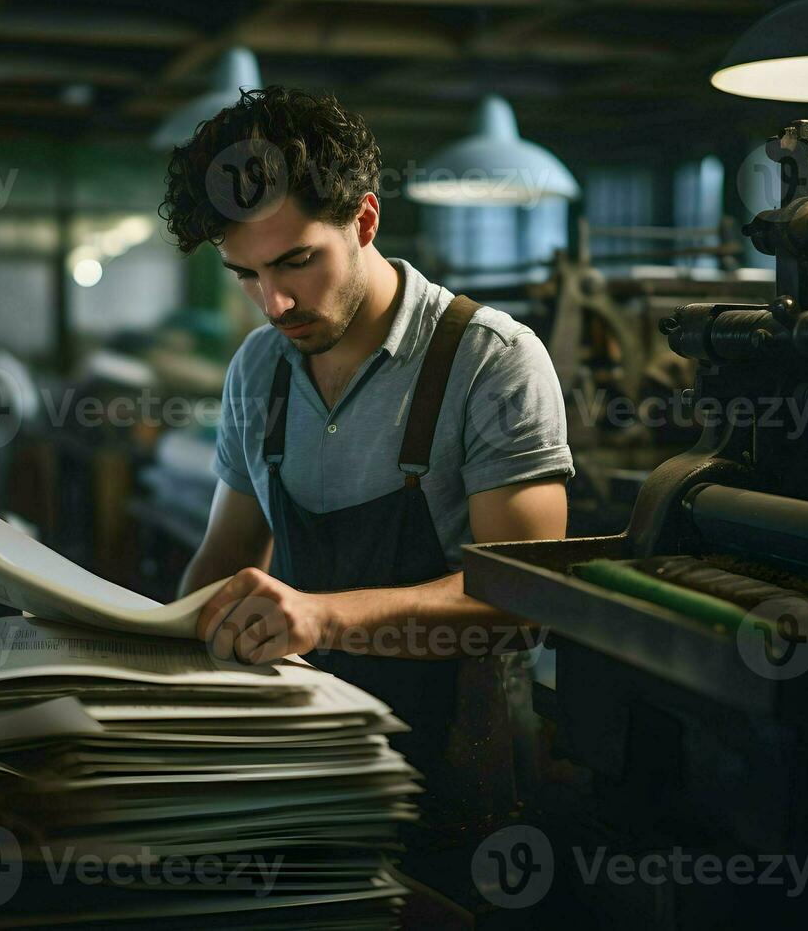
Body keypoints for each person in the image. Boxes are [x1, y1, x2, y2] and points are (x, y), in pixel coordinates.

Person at [161, 86, 572, 819]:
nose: (274, 303)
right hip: (307, 753)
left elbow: (525, 598)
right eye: (247, 275)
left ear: (366, 220)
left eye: (295, 262)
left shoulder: (491, 361)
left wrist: (323, 618)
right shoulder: (259, 369)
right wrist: (151, 662)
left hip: (461, 763)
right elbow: (222, 557)